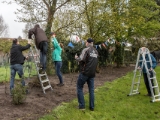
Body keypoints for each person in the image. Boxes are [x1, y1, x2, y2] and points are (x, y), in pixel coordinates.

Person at [75, 38, 98, 111]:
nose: (85, 43)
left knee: (79, 87)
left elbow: (81, 59)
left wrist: (76, 58)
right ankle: (92, 107)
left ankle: (82, 106)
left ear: (88, 43)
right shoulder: (96, 51)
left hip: (85, 73)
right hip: (92, 74)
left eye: (86, 42)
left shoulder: (86, 50)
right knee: (91, 90)